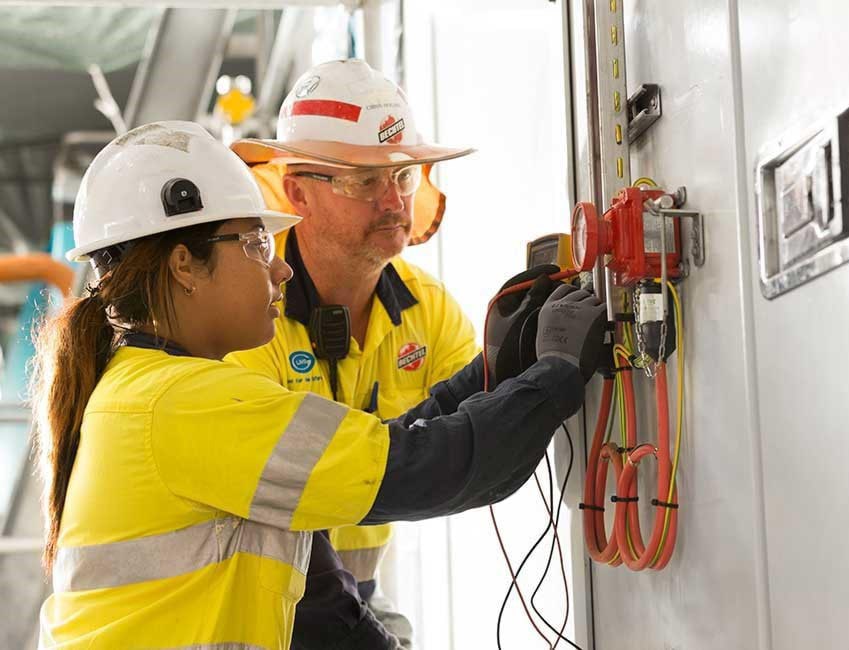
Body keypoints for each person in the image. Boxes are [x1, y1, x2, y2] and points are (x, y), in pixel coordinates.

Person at [31, 121, 606, 649]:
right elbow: (416, 469)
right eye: (255, 244)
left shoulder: (146, 388)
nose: (279, 266)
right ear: (185, 264)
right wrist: (556, 373)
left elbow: (379, 450)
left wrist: (503, 365)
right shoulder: (184, 402)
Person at [227, 59, 481, 648]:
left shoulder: (429, 308)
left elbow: (482, 421)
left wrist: (534, 360)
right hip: (259, 616)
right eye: (364, 181)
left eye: (404, 176)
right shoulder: (245, 316)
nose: (393, 202)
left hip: (354, 598)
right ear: (296, 192)